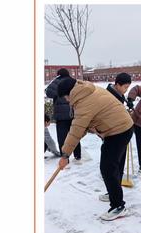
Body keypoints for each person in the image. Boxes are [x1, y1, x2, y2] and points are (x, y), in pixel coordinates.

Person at [56, 78, 134, 221]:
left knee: (107, 168)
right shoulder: (87, 90)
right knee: (114, 166)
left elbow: (77, 129)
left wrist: (65, 155)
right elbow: (83, 127)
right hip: (122, 126)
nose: (67, 101)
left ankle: (118, 206)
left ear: (69, 93)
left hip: (117, 131)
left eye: (66, 97)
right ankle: (113, 193)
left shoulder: (83, 102)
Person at [45, 68, 81, 162]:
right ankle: (78, 156)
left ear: (59, 74)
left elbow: (48, 92)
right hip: (73, 113)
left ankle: (65, 158)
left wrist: (58, 92)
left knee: (62, 137)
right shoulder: (73, 81)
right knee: (75, 134)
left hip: (60, 115)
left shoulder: (56, 82)